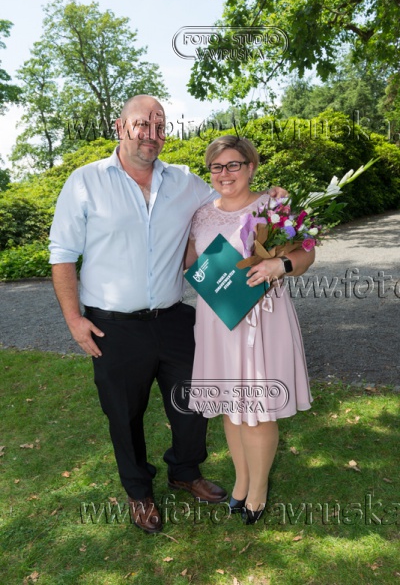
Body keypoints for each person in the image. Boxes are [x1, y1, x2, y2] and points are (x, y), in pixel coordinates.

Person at [49, 95, 286, 533]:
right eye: (142, 123)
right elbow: (62, 254)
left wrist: (271, 198)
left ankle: (186, 472)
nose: (151, 133)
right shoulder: (85, 182)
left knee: (193, 405)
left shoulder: (184, 182)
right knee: (124, 414)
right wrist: (73, 320)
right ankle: (139, 492)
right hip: (113, 326)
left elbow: (232, 195)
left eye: (159, 125)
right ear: (120, 127)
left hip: (175, 318)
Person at [185, 135, 314, 525]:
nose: (225, 173)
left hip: (263, 319)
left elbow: (307, 252)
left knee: (257, 409)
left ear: (251, 167)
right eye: (217, 167)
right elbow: (190, 261)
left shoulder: (272, 207)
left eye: (233, 165)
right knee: (231, 405)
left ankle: (258, 490)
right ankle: (241, 482)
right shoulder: (201, 215)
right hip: (218, 320)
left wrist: (279, 265)